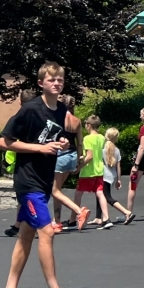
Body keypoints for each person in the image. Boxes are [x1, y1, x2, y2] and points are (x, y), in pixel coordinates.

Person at [0, 61, 79, 288]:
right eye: (52, 80)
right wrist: (39, 148)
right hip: (28, 181)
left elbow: (53, 137)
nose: (57, 83)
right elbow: (6, 141)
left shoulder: (60, 110)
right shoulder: (31, 110)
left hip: (44, 180)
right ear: (41, 83)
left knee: (25, 236)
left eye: (60, 80)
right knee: (47, 232)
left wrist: (62, 144)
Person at [0, 89, 37, 237]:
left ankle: (37, 224)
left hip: (24, 166)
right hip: (42, 164)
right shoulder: (43, 118)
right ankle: (18, 226)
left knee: (26, 196)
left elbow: (3, 141)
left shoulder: (18, 119)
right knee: (31, 196)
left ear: (20, 102)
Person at [54, 95, 90, 231]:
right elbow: (80, 142)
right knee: (58, 189)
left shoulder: (58, 118)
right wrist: (78, 159)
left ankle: (79, 211)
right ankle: (57, 222)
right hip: (72, 155)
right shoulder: (76, 121)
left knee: (54, 190)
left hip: (60, 154)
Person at [72, 115, 111, 228]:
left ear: (88, 125)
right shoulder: (101, 137)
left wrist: (78, 168)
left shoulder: (87, 138)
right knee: (100, 193)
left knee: (78, 194)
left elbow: (89, 156)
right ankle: (106, 218)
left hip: (88, 171)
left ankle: (74, 217)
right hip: (99, 170)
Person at [99, 128, 134, 227]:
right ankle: (99, 218)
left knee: (107, 197)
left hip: (103, 175)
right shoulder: (117, 150)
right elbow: (118, 166)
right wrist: (119, 179)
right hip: (112, 176)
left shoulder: (102, 149)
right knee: (101, 196)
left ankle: (127, 212)